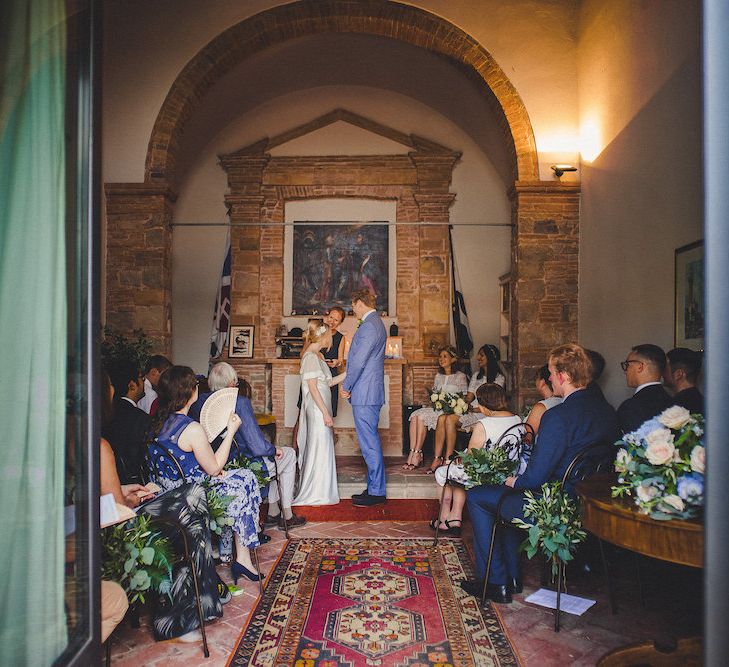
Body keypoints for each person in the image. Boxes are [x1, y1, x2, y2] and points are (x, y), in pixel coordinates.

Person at [463, 343, 620, 604]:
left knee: (479, 496)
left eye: (550, 372)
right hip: (590, 504)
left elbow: (533, 480)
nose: (548, 378)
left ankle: (496, 582)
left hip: (556, 506)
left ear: (564, 376)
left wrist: (512, 478)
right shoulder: (607, 411)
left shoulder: (558, 416)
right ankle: (512, 576)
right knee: (503, 499)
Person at [98, 365, 226, 644]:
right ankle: (194, 608)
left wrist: (126, 489)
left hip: (128, 510)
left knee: (192, 510)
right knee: (193, 501)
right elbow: (117, 512)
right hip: (126, 528)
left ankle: (197, 607)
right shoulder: (100, 448)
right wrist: (130, 497)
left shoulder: (155, 422)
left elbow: (102, 498)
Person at [147, 365, 264, 586]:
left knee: (239, 476)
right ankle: (242, 558)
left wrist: (216, 471)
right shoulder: (191, 428)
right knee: (245, 480)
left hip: (167, 493)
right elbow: (213, 468)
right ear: (189, 392)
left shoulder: (157, 423)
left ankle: (233, 553)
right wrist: (230, 431)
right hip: (192, 498)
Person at [190, 362, 306, 529]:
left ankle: (273, 512)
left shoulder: (199, 402)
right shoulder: (239, 402)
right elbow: (257, 445)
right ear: (231, 383)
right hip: (243, 464)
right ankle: (287, 515)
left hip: (214, 462)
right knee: (287, 454)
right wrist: (274, 449)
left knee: (275, 456)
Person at [431, 384, 522, 537]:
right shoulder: (517, 419)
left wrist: (459, 458)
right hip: (509, 472)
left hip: (487, 475)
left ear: (484, 405)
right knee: (458, 472)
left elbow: (471, 459)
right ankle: (455, 518)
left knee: (443, 472)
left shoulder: (484, 424)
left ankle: (445, 517)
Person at [341, 289, 388, 507]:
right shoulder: (375, 323)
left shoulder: (369, 325)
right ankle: (373, 487)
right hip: (369, 391)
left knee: (369, 443)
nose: (353, 311)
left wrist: (347, 385)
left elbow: (359, 361)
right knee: (370, 441)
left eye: (353, 306)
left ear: (360, 303)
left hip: (365, 392)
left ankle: (377, 492)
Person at [293, 319, 347, 505]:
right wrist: (325, 412)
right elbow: (313, 388)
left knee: (324, 446)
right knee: (319, 446)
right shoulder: (309, 357)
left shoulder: (318, 356)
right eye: (329, 335)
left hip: (321, 408)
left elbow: (327, 383)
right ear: (324, 336)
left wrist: (348, 374)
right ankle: (315, 491)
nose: (331, 339)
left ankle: (323, 489)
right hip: (317, 410)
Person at [437, 344, 505, 466]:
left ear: (490, 358)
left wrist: (478, 409)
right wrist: (464, 405)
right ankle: (445, 458)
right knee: (446, 418)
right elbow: (469, 397)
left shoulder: (499, 378)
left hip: (486, 413)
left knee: (450, 420)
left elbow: (495, 401)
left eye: (481, 355)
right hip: (472, 409)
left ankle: (448, 459)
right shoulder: (476, 376)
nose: (478, 357)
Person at [404, 346, 468, 473]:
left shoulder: (460, 376)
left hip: (452, 411)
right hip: (438, 409)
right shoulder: (438, 376)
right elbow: (434, 395)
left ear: (453, 359)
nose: (441, 359)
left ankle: (416, 455)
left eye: (445, 356)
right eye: (440, 356)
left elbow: (464, 397)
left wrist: (450, 405)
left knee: (422, 417)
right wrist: (435, 401)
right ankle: (414, 452)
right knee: (415, 415)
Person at [103, 358, 150, 483]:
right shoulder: (140, 418)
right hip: (132, 482)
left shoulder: (106, 412)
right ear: (132, 385)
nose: (144, 382)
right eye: (142, 378)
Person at [617, 344, 674, 433]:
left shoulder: (631, 407)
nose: (625, 371)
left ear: (640, 366)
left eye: (627, 365)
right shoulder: (674, 403)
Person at [322, 306, 346, 417]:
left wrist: (337, 362)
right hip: (314, 376)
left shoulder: (340, 338)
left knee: (329, 414)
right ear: (327, 316)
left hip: (331, 377)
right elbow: (305, 353)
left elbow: (341, 360)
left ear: (340, 323)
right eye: (331, 317)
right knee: (305, 415)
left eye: (336, 320)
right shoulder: (318, 333)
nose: (332, 321)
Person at [664, 347, 704, 414]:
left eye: (665, 369)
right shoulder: (705, 403)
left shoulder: (673, 408)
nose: (662, 373)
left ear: (678, 374)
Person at [524, 364, 562, 434]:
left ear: (542, 382)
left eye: (536, 379)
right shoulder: (564, 401)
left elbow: (528, 436)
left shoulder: (541, 407)